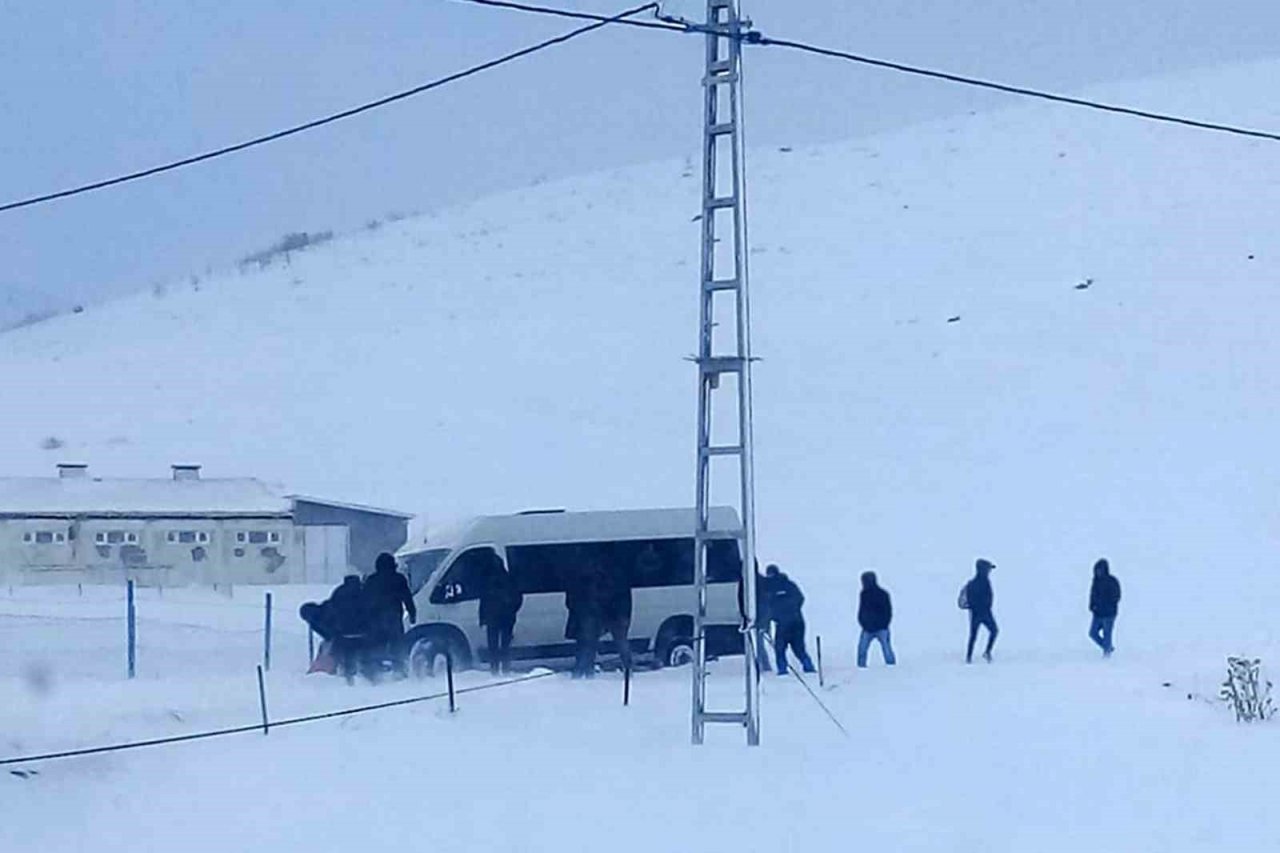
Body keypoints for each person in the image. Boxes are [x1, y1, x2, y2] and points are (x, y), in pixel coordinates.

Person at [362, 552, 418, 676]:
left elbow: (364, 601)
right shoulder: (398, 579)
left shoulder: (371, 580)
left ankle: (376, 673)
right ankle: (399, 672)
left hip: (375, 620)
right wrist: (412, 613)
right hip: (394, 618)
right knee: (397, 647)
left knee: (376, 647)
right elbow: (407, 597)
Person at [764, 563, 815, 675]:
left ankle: (783, 670)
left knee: (780, 648)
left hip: (784, 624)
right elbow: (800, 598)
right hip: (798, 621)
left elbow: (768, 606)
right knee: (799, 648)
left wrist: (775, 615)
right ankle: (808, 667)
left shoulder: (770, 588)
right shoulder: (789, 584)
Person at [478, 552, 523, 674]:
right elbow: (518, 598)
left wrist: (482, 618)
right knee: (505, 646)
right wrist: (512, 611)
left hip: (494, 618)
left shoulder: (488, 581)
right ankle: (505, 668)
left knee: (493, 646)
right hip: (506, 619)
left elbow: (484, 601)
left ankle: (495, 669)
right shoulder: (508, 579)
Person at [564, 549, 604, 678]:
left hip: (580, 616)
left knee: (582, 644)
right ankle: (587, 669)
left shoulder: (575, 582)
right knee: (590, 645)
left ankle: (580, 669)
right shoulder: (597, 582)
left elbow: (569, 601)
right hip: (591, 616)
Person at [599, 550, 634, 674]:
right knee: (621, 641)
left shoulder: (612, 581)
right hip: (621, 614)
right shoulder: (622, 580)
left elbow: (610, 598)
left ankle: (627, 665)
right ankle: (627, 665)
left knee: (619, 641)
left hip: (614, 615)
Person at [960, 558, 998, 663]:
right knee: (994, 631)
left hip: (975, 614)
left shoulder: (971, 583)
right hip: (984, 613)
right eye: (988, 569)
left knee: (973, 635)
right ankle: (986, 652)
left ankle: (969, 657)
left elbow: (965, 602)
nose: (989, 571)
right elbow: (988, 598)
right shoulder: (984, 583)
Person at [737, 563, 772, 673]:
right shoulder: (752, 581)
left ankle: (764, 666)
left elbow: (766, 601)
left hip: (758, 616)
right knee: (757, 642)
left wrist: (764, 621)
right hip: (755, 615)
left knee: (758, 643)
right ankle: (762, 665)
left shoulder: (755, 581)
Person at [856, 571, 896, 667]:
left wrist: (884, 624)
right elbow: (861, 609)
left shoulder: (883, 594)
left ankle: (892, 667)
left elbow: (888, 612)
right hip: (867, 628)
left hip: (881, 628)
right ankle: (861, 668)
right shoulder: (863, 594)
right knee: (862, 649)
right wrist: (862, 622)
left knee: (887, 649)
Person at [1088, 558, 1121, 657]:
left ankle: (1107, 655)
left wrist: (1109, 605)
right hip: (1097, 613)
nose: (1098, 572)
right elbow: (1092, 594)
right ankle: (1108, 647)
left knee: (1107, 635)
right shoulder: (1095, 581)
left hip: (1109, 614)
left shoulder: (1112, 581)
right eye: (1097, 570)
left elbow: (1117, 596)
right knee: (1092, 633)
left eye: (1100, 570)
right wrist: (1091, 605)